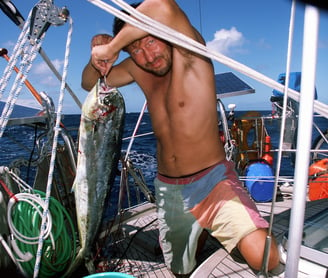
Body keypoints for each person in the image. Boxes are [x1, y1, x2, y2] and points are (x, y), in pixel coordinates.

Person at [81, 0, 280, 276]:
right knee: (179, 270)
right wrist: (97, 57)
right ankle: (199, 233)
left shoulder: (189, 51)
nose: (148, 56)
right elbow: (89, 83)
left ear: (163, 31)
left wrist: (112, 46)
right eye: (135, 49)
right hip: (168, 188)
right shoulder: (137, 68)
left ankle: (210, 224)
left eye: (149, 41)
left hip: (213, 181)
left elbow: (162, 6)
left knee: (265, 257)